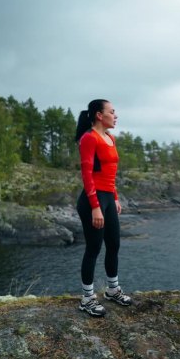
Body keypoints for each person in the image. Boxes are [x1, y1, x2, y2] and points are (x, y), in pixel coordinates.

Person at [74, 99, 132, 317]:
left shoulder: (110, 137)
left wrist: (115, 197)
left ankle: (112, 290)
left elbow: (110, 173)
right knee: (93, 248)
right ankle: (87, 299)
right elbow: (87, 175)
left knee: (114, 244)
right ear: (99, 115)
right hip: (93, 200)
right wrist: (95, 207)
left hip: (108, 197)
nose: (115, 116)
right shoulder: (89, 138)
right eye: (112, 112)